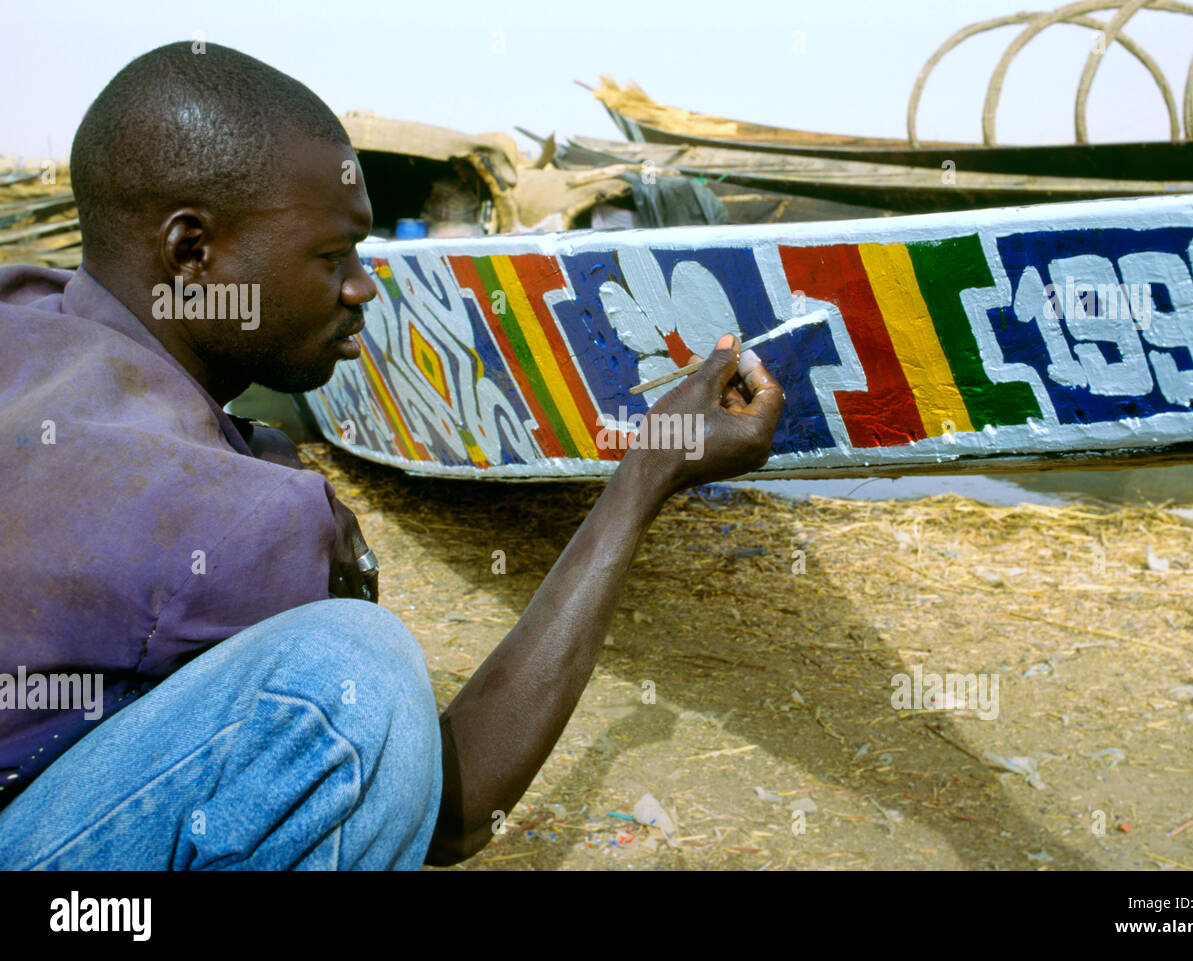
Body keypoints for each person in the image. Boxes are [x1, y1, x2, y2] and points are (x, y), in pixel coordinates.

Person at [0, 42, 784, 869]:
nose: (362, 289)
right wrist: (648, 470)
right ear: (192, 254)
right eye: (332, 257)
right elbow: (450, 809)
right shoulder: (228, 517)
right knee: (352, 683)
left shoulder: (29, 318)